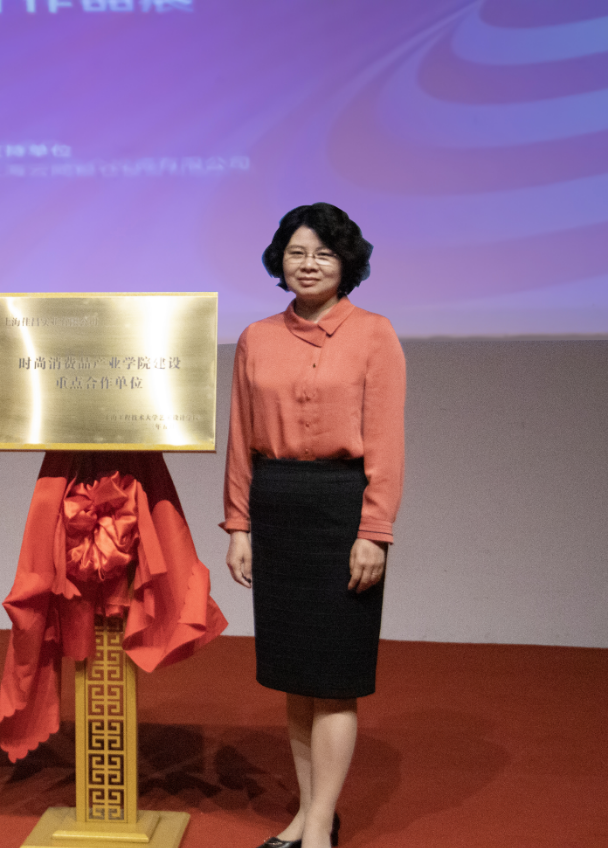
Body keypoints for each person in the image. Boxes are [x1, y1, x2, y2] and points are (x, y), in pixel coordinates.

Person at [223, 203, 405, 848]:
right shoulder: (256, 337)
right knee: (296, 678)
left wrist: (374, 531)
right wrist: (239, 526)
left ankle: (322, 823)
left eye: (324, 254)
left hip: (341, 506)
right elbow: (241, 438)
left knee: (333, 678)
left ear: (345, 263)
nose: (308, 264)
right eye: (297, 253)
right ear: (280, 260)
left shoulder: (375, 334)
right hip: (276, 505)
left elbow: (386, 442)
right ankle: (305, 813)